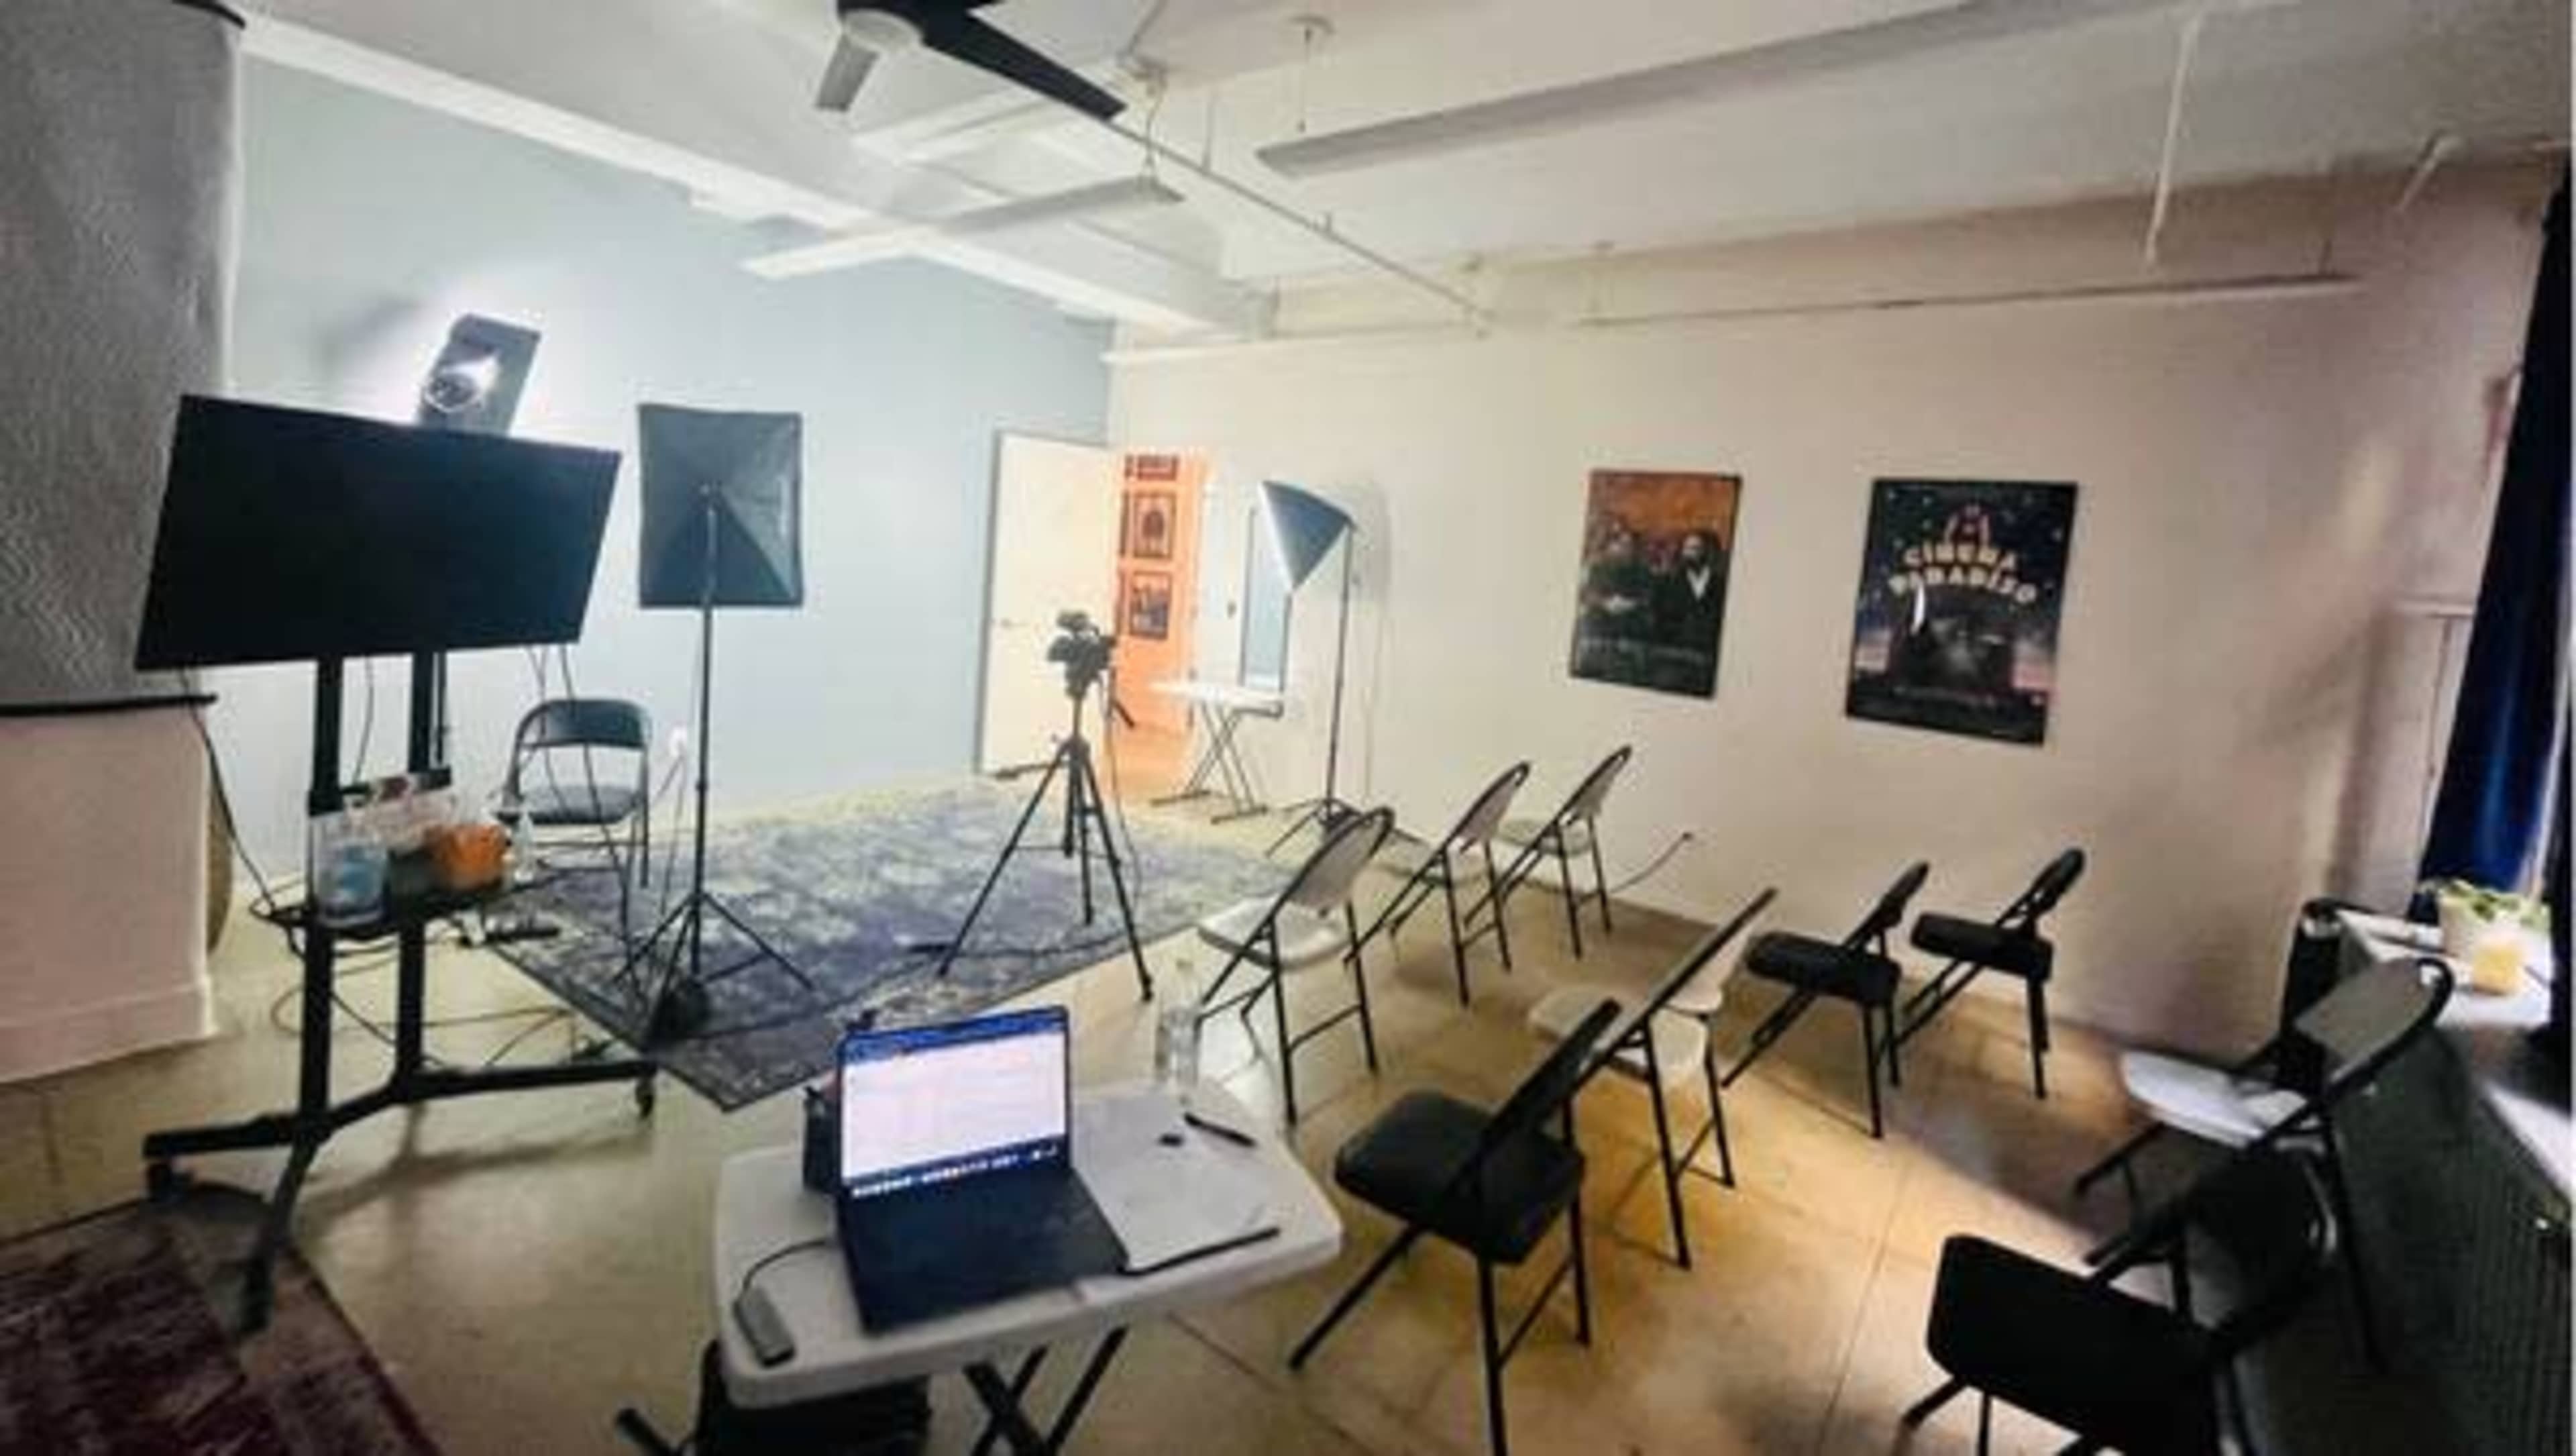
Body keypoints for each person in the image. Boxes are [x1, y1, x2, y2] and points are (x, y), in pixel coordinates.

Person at [1651, 529, 1728, 653]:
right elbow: (1661, 617)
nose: (1688, 553)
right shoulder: (1670, 582)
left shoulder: (1720, 583)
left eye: (1695, 549)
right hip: (1678, 649)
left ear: (1708, 551)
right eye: (1686, 548)